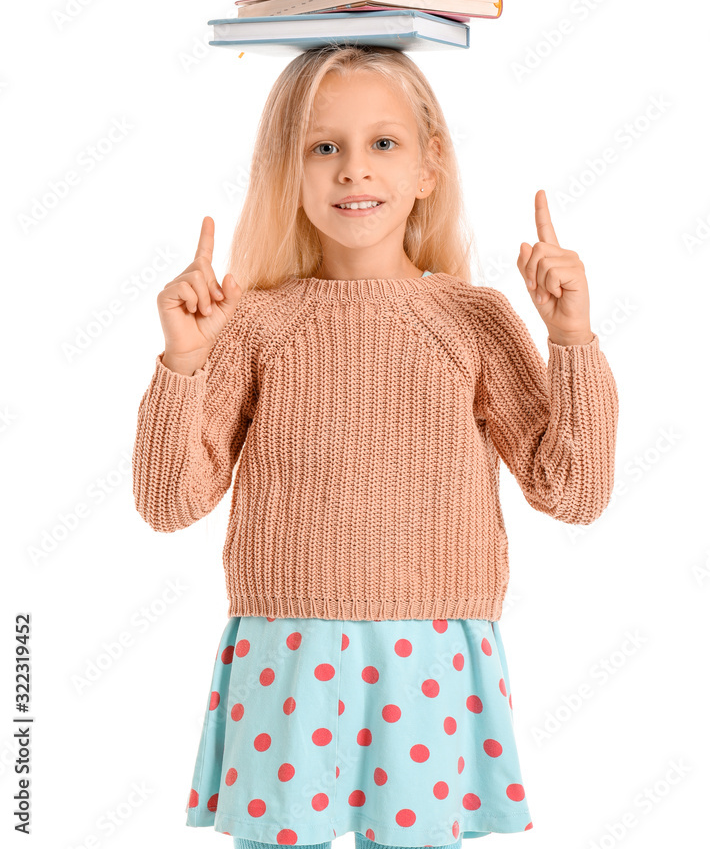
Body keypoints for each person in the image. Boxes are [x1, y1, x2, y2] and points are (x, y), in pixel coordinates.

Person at [131, 44, 619, 849]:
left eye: (382, 144)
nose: (354, 170)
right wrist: (182, 364)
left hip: (428, 649)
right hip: (286, 644)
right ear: (288, 169)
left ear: (430, 166)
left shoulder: (473, 317)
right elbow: (167, 502)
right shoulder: (253, 322)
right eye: (324, 147)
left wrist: (569, 336)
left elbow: (574, 491)